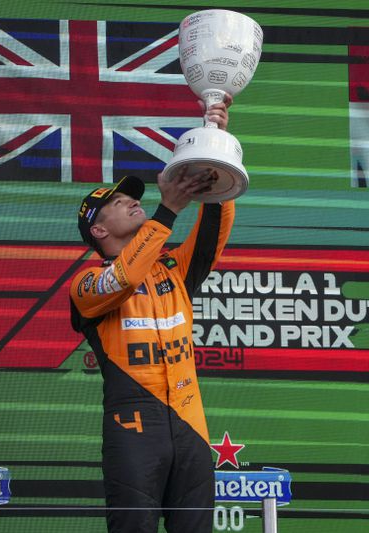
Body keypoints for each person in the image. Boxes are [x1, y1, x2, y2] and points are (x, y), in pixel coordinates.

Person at [69, 100, 234, 532]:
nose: (130, 203)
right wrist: (168, 212)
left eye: (132, 199)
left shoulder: (174, 269)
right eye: (119, 203)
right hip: (133, 431)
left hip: (191, 427)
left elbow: (214, 230)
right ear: (99, 231)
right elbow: (124, 279)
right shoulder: (86, 285)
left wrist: (214, 151)